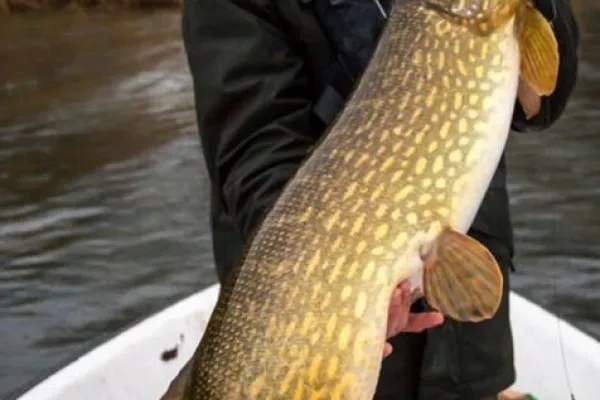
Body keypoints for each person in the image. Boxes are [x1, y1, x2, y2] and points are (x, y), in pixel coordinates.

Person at [182, 0, 579, 399]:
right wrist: (342, 293)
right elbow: (257, 152)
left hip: (464, 311)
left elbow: (541, 103)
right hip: (319, 328)